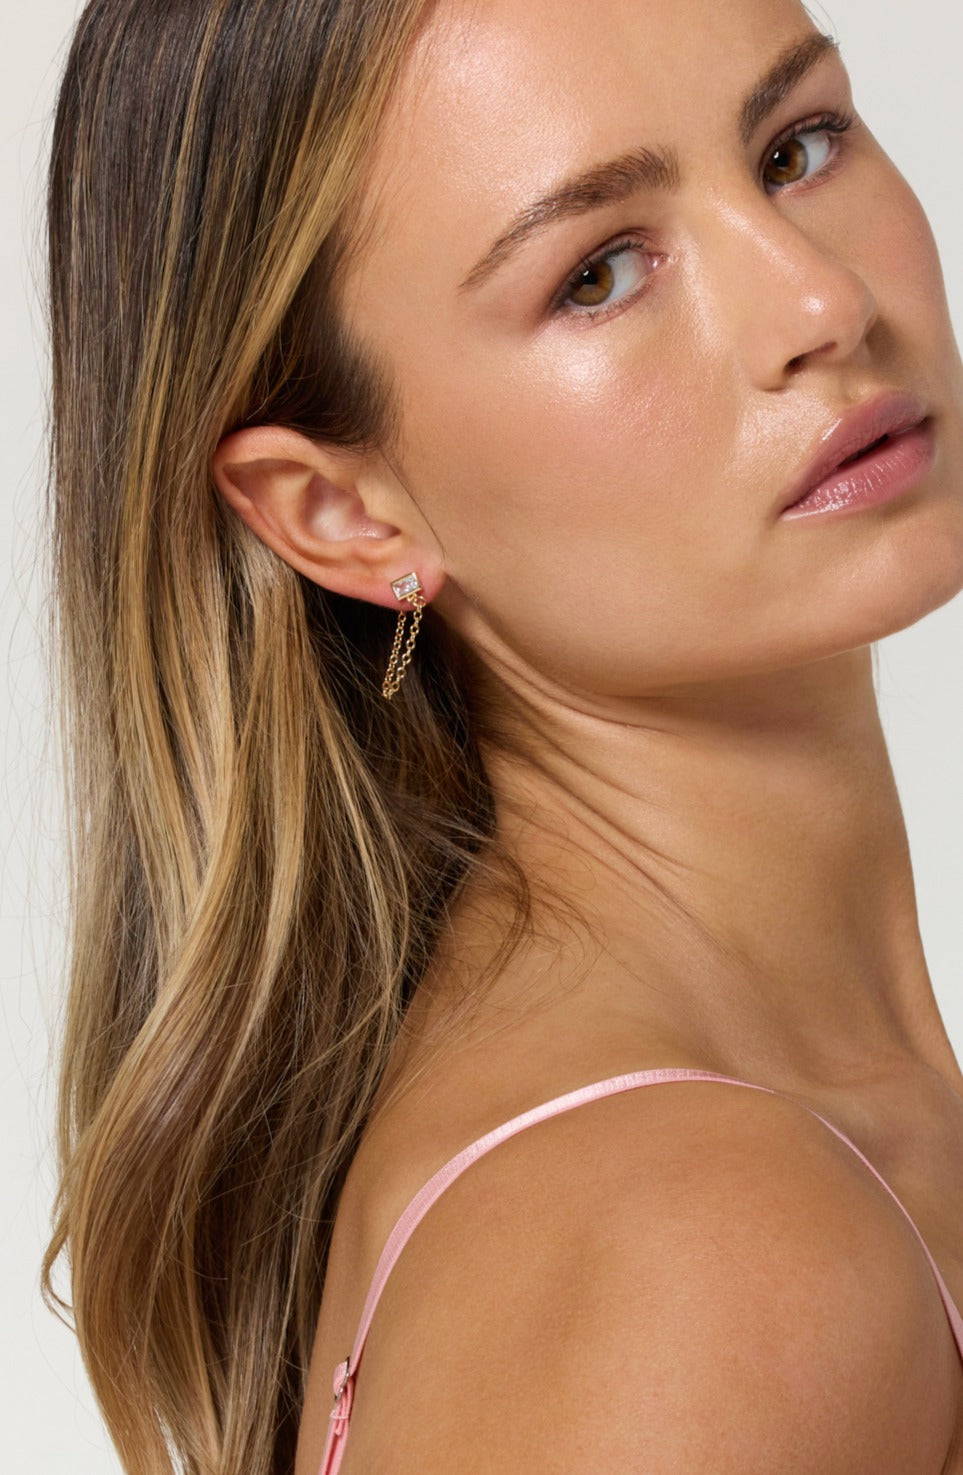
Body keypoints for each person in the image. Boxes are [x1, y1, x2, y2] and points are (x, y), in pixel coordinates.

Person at [41, 0, 963, 1470]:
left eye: (797, 146)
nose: (821, 305)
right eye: (597, 273)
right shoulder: (697, 1252)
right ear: (343, 512)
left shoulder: (737, 1163)